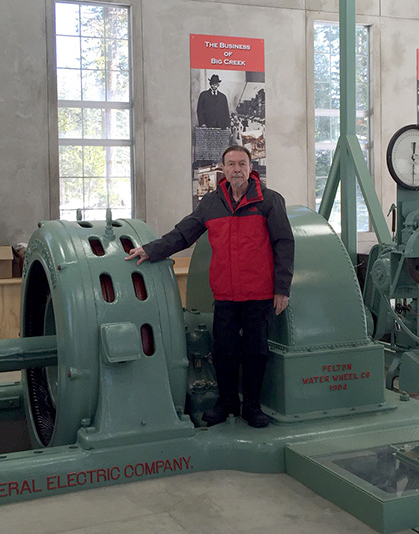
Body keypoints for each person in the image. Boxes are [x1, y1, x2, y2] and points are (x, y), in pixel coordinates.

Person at [125, 145, 294, 428]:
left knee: (256, 352)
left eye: (242, 163)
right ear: (223, 169)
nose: (237, 169)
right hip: (225, 294)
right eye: (231, 164)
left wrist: (282, 288)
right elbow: (183, 234)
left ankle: (251, 407)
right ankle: (226, 403)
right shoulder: (212, 204)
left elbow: (284, 244)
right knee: (224, 352)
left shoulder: (270, 202)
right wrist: (150, 250)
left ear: (251, 168)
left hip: (258, 294)